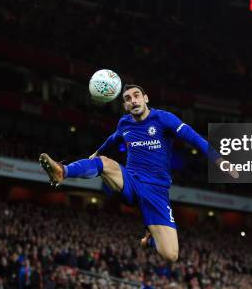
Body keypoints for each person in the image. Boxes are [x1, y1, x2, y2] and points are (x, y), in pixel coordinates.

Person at [39, 84, 237, 262]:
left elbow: (194, 138)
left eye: (136, 96)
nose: (133, 100)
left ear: (146, 98)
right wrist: (98, 152)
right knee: (105, 164)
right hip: (131, 182)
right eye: (127, 99)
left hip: (157, 192)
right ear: (125, 105)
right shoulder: (124, 124)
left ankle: (150, 239)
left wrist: (219, 161)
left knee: (170, 255)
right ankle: (62, 172)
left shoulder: (164, 119)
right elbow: (114, 138)